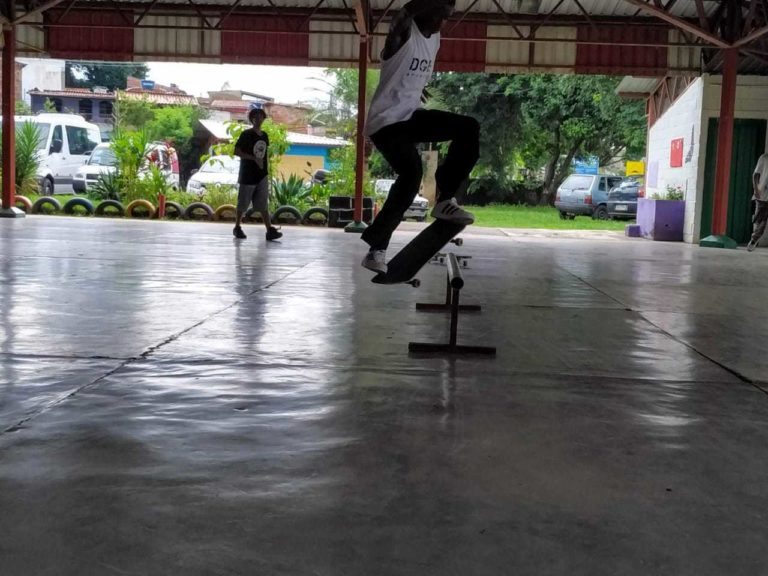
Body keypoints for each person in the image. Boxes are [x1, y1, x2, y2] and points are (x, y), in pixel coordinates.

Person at [360, 0, 479, 273]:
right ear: (424, 9)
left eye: (446, 17)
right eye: (438, 13)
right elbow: (401, 15)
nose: (441, 22)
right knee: (411, 175)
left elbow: (410, 77)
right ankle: (376, 250)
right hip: (386, 124)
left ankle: (445, 200)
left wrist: (416, 89)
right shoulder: (403, 34)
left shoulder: (434, 38)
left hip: (411, 117)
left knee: (468, 127)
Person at [233, 107, 282, 241]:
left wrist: (265, 168)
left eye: (261, 117)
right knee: (243, 203)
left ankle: (269, 230)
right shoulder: (246, 134)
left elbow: (264, 153)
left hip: (262, 174)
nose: (259, 119)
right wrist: (252, 158)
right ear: (252, 119)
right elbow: (236, 151)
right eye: (256, 117)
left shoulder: (264, 135)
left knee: (263, 204)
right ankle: (237, 227)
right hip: (248, 175)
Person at [748, 152, 768, 252]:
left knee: (762, 220)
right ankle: (754, 239)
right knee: (761, 220)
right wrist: (755, 189)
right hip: (763, 194)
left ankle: (754, 239)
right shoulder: (764, 158)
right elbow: (755, 174)